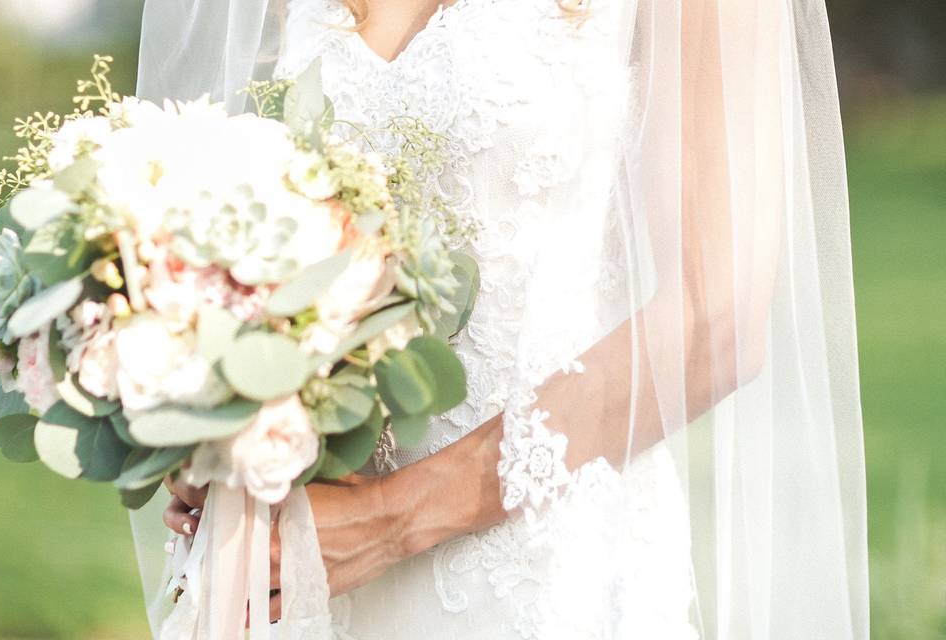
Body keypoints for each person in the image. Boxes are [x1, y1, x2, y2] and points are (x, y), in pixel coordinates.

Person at [136, 0, 869, 637]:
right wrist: (230, 431)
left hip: (543, 575)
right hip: (298, 566)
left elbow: (716, 321)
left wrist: (387, 521)